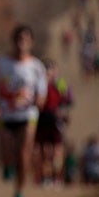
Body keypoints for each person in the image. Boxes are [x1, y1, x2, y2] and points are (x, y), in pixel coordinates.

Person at [0, 24, 48, 197]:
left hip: (27, 115)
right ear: (13, 42)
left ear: (31, 42)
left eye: (25, 39)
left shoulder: (36, 66)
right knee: (6, 151)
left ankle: (19, 192)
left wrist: (38, 101)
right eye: (19, 39)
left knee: (23, 154)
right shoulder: (1, 63)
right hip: (5, 115)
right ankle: (6, 165)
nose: (22, 43)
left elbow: (41, 93)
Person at [33, 59, 73, 188]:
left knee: (57, 149)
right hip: (41, 117)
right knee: (44, 150)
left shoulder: (60, 84)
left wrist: (64, 115)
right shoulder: (39, 83)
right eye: (47, 70)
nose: (49, 73)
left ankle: (56, 178)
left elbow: (68, 100)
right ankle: (45, 177)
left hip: (55, 118)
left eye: (52, 70)